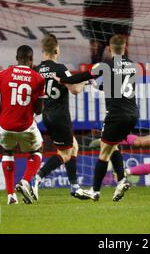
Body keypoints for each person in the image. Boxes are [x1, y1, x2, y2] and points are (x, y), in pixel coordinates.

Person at [56, 35, 138, 201]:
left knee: (103, 151)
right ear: (125, 47)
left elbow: (76, 78)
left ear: (108, 48)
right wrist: (97, 85)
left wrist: (62, 79)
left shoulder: (104, 66)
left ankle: (95, 190)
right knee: (111, 146)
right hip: (132, 114)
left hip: (116, 115)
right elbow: (116, 87)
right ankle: (121, 180)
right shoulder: (132, 66)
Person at [0, 45, 46, 205]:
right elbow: (38, 111)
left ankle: (11, 195)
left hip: (4, 126)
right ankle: (25, 181)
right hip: (25, 126)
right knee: (38, 149)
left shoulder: (2, 74)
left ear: (17, 59)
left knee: (7, 151)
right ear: (31, 60)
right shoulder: (38, 78)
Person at [34, 34, 95, 200]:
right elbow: (75, 89)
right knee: (65, 153)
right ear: (56, 50)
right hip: (60, 115)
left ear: (42, 51)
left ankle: (75, 186)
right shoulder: (60, 68)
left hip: (46, 115)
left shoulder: (36, 69)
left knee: (73, 146)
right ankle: (37, 178)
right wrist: (86, 81)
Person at [82, 0, 133, 64]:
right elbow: (87, 14)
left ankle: (124, 66)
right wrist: (92, 37)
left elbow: (128, 11)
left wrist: (127, 31)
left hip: (118, 27)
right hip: (99, 29)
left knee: (122, 58)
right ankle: (95, 64)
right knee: (96, 59)